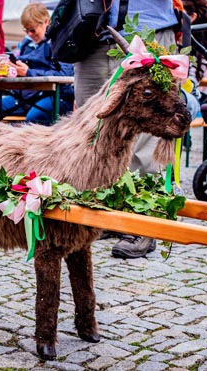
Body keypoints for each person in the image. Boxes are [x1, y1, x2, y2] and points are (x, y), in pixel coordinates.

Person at [74, 0, 197, 259]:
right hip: (92, 35)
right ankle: (106, 212)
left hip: (147, 29)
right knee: (93, 131)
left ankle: (143, 222)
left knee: (146, 132)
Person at [0, 2, 74, 126]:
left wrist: (28, 72)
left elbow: (64, 74)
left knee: (33, 118)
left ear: (46, 22)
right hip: (25, 97)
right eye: (26, 30)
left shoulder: (59, 42)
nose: (29, 34)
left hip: (55, 96)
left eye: (32, 30)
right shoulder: (27, 43)